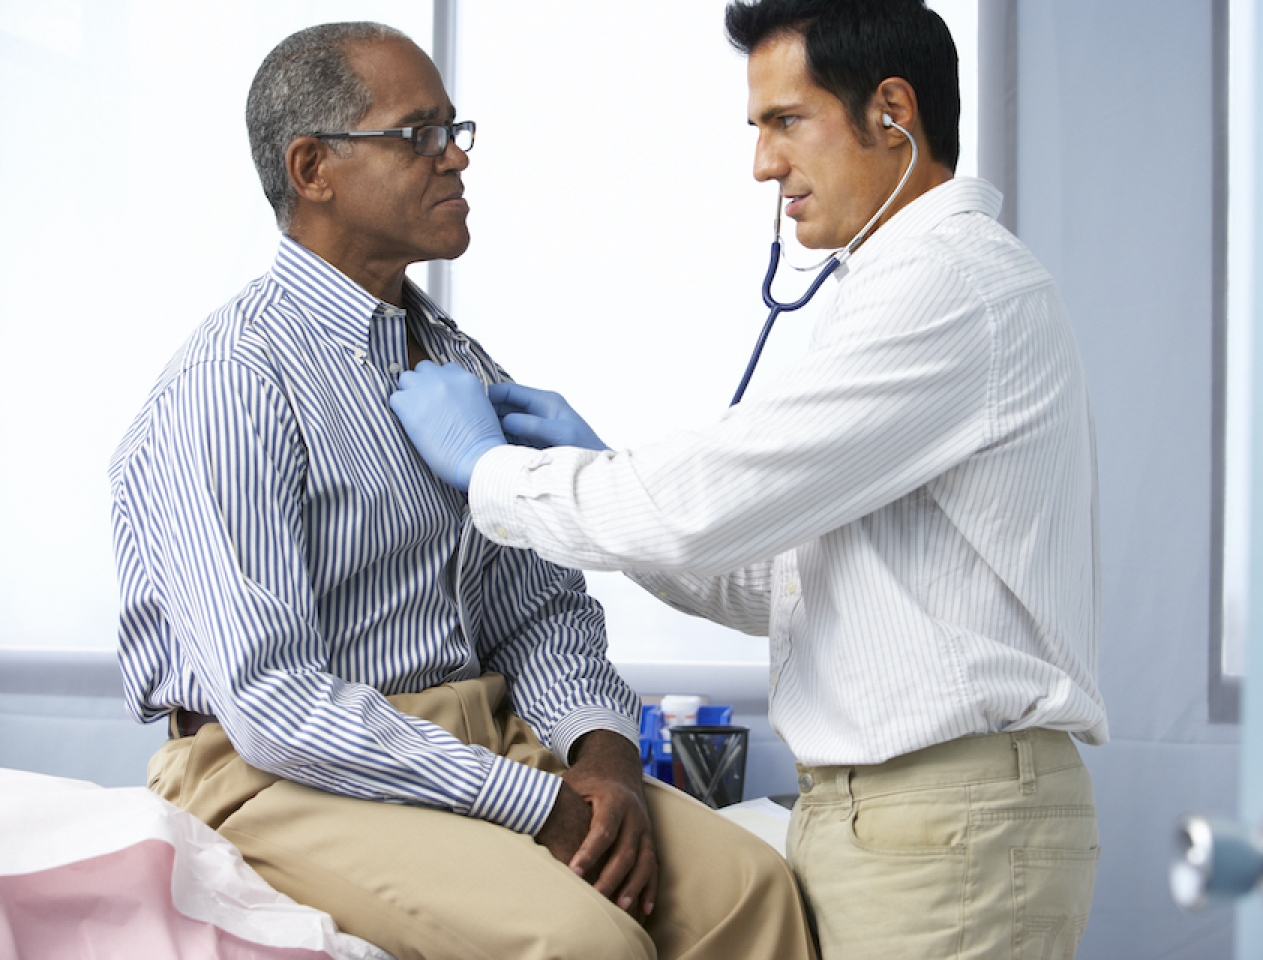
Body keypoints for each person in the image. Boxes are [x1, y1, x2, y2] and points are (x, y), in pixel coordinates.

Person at [389, 1, 1109, 958]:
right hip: (899, 820)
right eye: (758, 129)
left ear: (893, 112)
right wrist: (599, 474)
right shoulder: (900, 286)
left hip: (946, 823)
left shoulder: (948, 288)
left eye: (785, 122)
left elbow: (700, 510)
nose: (763, 167)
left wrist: (494, 472)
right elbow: (789, 583)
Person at [108, 21, 814, 960]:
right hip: (280, 772)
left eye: (454, 130)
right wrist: (537, 803)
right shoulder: (235, 382)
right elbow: (273, 700)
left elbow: (536, 610)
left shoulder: (459, 364)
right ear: (312, 167)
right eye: (418, 135)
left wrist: (604, 756)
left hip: (482, 740)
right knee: (583, 941)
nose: (456, 160)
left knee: (754, 890)